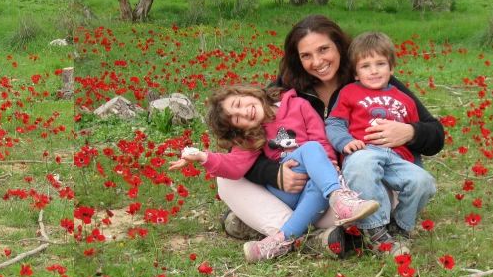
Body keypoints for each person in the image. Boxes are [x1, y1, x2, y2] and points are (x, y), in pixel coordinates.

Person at [217, 15, 444, 258]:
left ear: (340, 46)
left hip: (354, 192)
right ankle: (312, 239)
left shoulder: (371, 77)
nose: (317, 61)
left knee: (376, 192)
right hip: (304, 189)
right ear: (297, 59)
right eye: (306, 56)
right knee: (226, 181)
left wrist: (410, 132)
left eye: (324, 49)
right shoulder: (283, 92)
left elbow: (435, 135)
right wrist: (273, 173)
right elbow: (242, 151)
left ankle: (280, 233)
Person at [171, 85, 379, 263]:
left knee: (316, 152)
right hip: (286, 189)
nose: (244, 113)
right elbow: (234, 166)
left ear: (247, 92)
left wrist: (329, 164)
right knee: (312, 149)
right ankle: (339, 198)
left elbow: (322, 139)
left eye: (239, 104)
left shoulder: (298, 106)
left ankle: (281, 240)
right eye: (236, 119)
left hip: (314, 188)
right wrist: (202, 156)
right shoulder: (252, 136)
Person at [325, 32, 437, 256]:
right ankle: (376, 230)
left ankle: (399, 227)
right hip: (364, 151)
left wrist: (415, 166)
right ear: (355, 72)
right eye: (365, 66)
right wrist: (345, 142)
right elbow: (334, 123)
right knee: (361, 168)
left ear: (392, 68)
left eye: (380, 64)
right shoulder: (349, 92)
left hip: (398, 157)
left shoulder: (405, 99)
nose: (374, 71)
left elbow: (414, 137)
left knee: (424, 182)